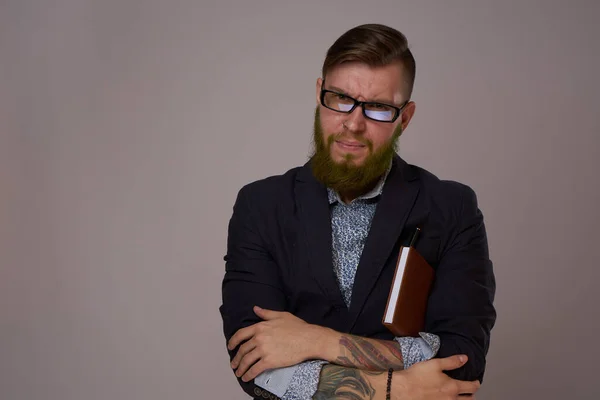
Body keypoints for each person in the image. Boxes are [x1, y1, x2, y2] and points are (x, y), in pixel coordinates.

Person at [219, 23, 496, 400]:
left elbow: (462, 359)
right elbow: (253, 362)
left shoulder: (451, 208)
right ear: (320, 94)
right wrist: (394, 390)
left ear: (405, 117)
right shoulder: (260, 206)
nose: (353, 122)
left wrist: (319, 341)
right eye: (340, 98)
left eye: (379, 107)